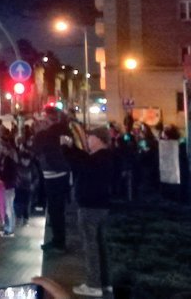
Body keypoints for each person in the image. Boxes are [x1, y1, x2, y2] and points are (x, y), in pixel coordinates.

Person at [62, 127, 114, 298]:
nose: (88, 141)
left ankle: (93, 285)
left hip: (90, 207)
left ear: (98, 139)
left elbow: (80, 163)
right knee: (101, 246)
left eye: (90, 138)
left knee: (91, 246)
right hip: (102, 207)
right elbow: (82, 160)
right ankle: (105, 283)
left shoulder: (98, 159)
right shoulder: (107, 158)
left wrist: (68, 148)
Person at [32, 108, 72, 251]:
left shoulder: (45, 134)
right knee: (58, 208)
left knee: (55, 209)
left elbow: (35, 150)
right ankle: (59, 239)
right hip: (64, 172)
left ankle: (58, 242)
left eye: (44, 120)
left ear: (48, 120)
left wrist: (38, 132)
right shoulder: (65, 130)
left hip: (52, 175)